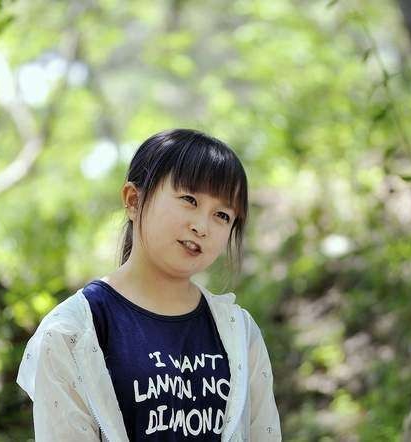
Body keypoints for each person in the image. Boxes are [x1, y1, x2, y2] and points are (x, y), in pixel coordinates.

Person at [16, 128, 282, 441]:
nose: (202, 226)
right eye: (189, 199)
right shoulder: (71, 331)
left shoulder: (239, 332)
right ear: (133, 200)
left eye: (222, 215)